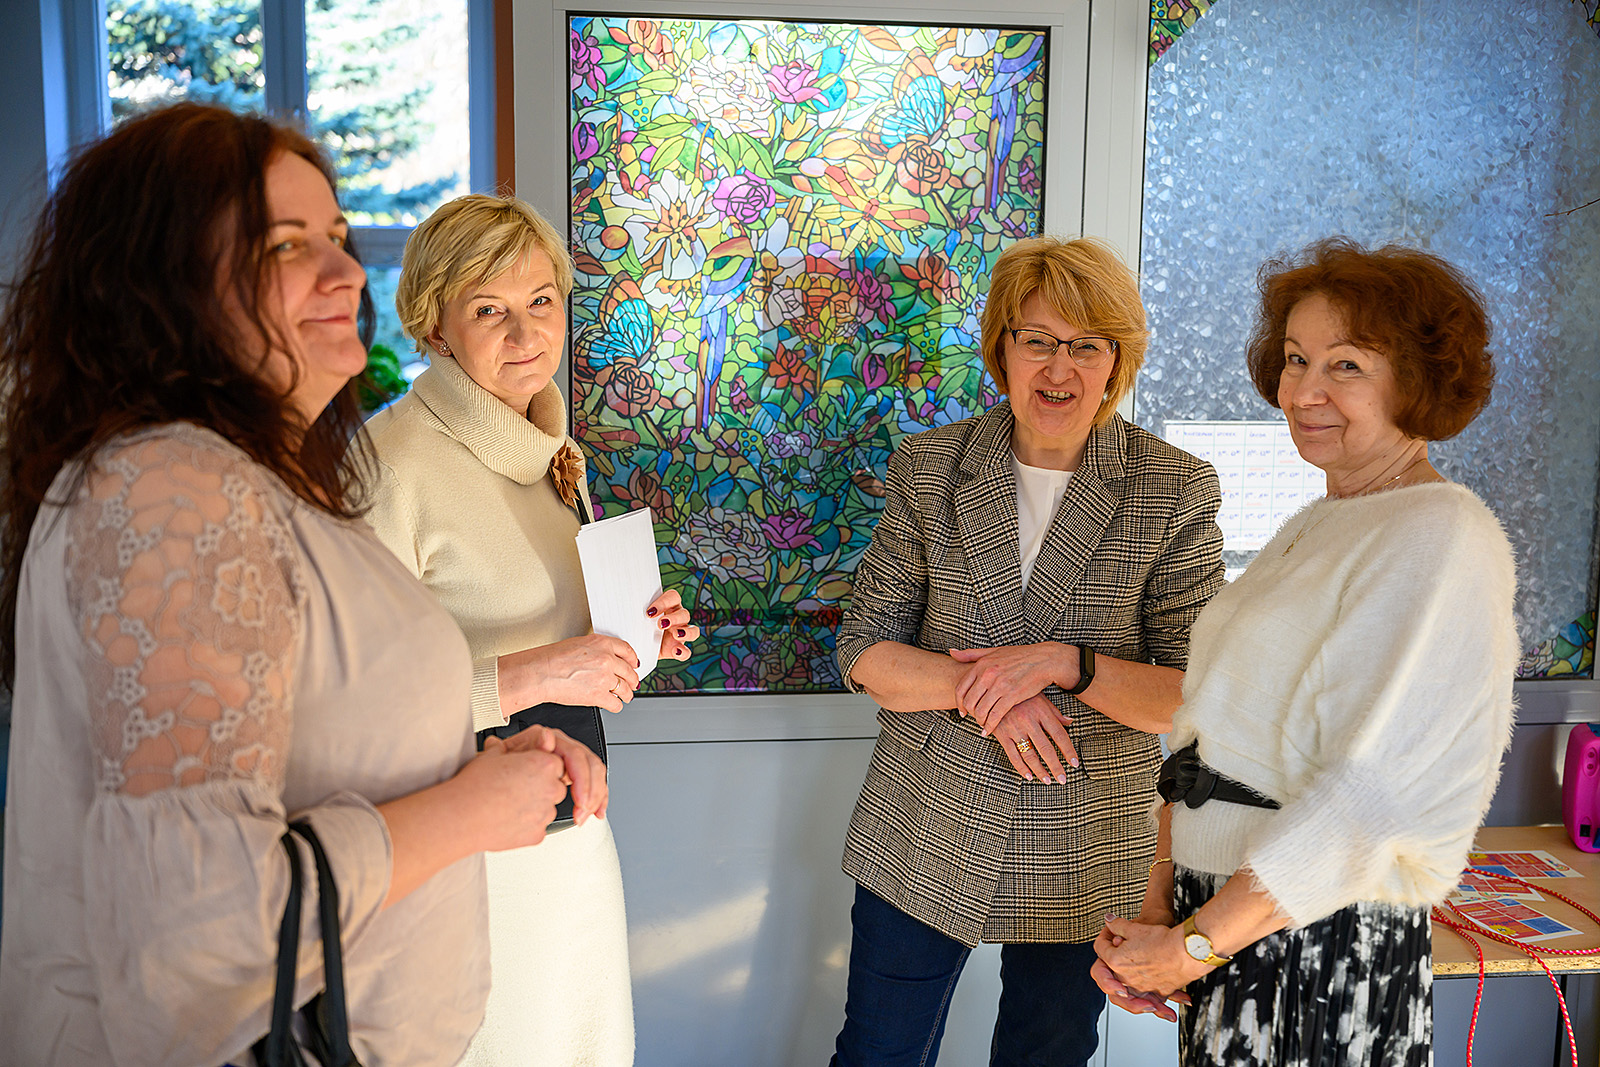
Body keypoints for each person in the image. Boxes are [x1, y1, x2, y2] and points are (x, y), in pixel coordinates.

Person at [0, 103, 597, 1066]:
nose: (348, 272)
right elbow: (203, 931)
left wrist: (478, 759)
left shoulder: (264, 486)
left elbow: (308, 741)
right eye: (286, 244)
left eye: (338, 235)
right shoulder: (172, 493)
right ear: (164, 282)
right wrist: (469, 810)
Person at [1092, 237, 1517, 1067]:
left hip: (1319, 941)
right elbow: (1205, 740)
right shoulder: (1324, 522)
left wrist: (1191, 946)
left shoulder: (1441, 533)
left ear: (1417, 379)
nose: (1304, 390)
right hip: (1235, 927)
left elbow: (1370, 798)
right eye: (1295, 359)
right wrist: (1161, 910)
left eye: (1345, 364)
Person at [830, 235, 1226, 1067]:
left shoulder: (1173, 486)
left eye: (1087, 345)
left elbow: (1192, 694)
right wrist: (994, 693)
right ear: (1001, 349)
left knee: (1045, 1057)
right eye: (1038, 339)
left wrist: (1061, 662)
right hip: (925, 824)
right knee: (877, 1054)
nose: (1060, 367)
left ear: (1116, 362)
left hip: (1087, 839)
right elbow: (865, 650)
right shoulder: (931, 466)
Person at [362, 192, 699, 1067]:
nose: (526, 332)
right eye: (489, 310)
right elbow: (358, 700)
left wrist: (634, 636)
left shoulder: (550, 448)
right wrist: (544, 671)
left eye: (541, 300)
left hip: (571, 828)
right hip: (463, 847)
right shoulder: (387, 465)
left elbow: (559, 647)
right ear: (433, 327)